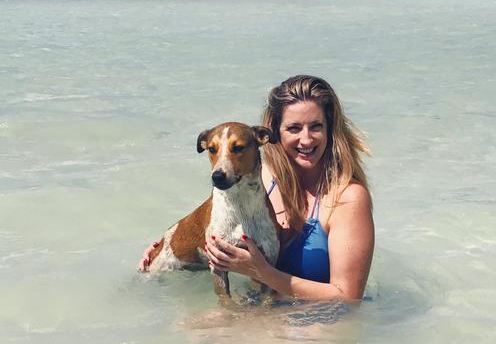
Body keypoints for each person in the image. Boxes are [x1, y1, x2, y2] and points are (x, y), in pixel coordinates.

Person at [138, 75, 374, 301]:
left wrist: (262, 273)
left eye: (316, 126)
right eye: (293, 128)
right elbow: (208, 224)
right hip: (266, 309)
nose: (306, 139)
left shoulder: (348, 198)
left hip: (319, 323)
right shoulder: (261, 181)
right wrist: (169, 247)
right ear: (274, 133)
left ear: (329, 130)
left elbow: (348, 298)